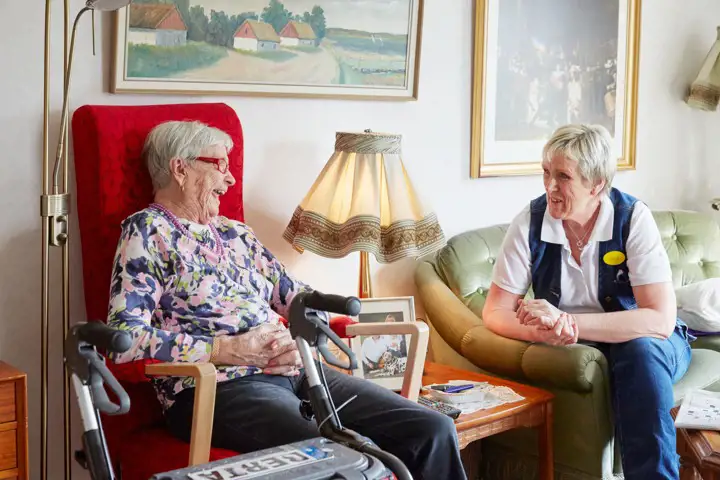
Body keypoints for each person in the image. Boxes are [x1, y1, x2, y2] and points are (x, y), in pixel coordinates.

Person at [106, 120, 466, 480]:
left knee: (431, 430)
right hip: (220, 390)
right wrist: (226, 349)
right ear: (180, 168)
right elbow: (124, 338)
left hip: (296, 370)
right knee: (349, 457)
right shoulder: (147, 232)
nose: (229, 179)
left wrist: (301, 339)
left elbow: (295, 296)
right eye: (220, 165)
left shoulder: (235, 234)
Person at [482, 124, 692, 480]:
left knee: (639, 352)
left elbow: (659, 319)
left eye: (563, 177)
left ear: (596, 184)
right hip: (579, 346)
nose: (549, 186)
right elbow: (495, 311)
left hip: (649, 339)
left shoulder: (631, 218)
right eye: (546, 172)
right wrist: (544, 332)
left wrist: (571, 323)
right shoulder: (530, 222)